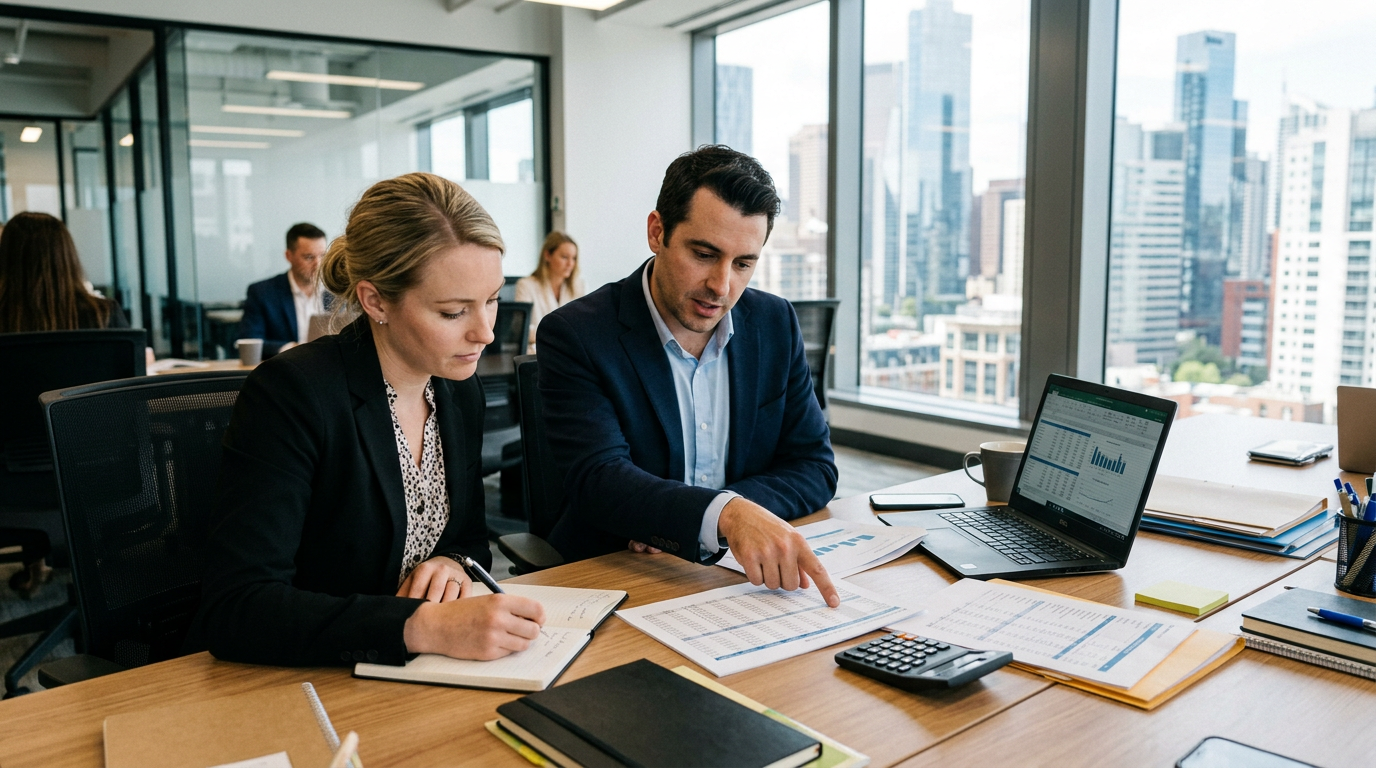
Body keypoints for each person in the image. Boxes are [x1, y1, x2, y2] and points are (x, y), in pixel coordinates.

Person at [189, 173, 545, 667]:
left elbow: (467, 539)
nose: (484, 333)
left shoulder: (457, 390)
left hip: (425, 675)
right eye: (452, 313)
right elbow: (238, 608)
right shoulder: (293, 394)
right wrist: (419, 626)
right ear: (376, 300)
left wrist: (452, 563)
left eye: (491, 300)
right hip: (309, 678)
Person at [537, 146, 841, 606]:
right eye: (704, 254)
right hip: (615, 579)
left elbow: (815, 466)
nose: (722, 286)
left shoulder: (775, 323)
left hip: (737, 580)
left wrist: (723, 514)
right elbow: (599, 481)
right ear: (657, 232)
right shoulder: (576, 333)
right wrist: (724, 516)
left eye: (743, 264)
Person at [0, 211, 129, 597]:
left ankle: (36, 565)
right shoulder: (105, 315)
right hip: (99, 475)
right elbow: (127, 406)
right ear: (68, 256)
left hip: (9, 486)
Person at [238, 222, 332, 358]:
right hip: (286, 369)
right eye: (309, 257)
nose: (318, 264)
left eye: (323, 256)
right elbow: (250, 341)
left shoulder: (337, 292)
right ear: (289, 256)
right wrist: (292, 348)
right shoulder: (263, 293)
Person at [514, 231, 585, 352]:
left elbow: (582, 326)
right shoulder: (526, 285)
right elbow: (521, 329)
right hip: (536, 353)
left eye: (573, 258)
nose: (570, 264)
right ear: (547, 255)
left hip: (569, 352)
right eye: (564, 257)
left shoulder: (578, 285)